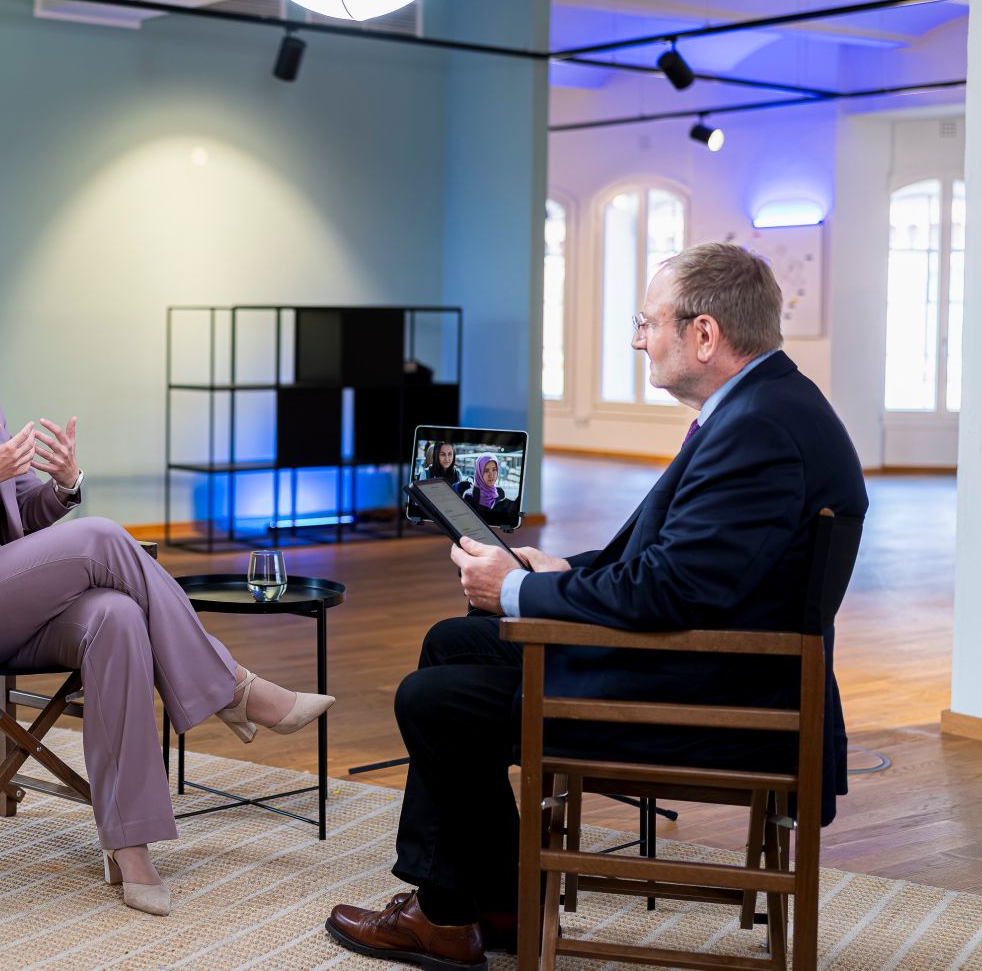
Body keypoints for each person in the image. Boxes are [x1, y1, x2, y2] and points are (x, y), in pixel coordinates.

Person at [325, 243, 867, 968]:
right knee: (454, 642)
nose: (640, 338)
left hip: (716, 698)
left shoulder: (760, 429)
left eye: (648, 322)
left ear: (704, 335)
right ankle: (487, 900)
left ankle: (449, 916)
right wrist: (553, 569)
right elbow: (676, 566)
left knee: (434, 698)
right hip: (716, 665)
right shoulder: (765, 405)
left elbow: (671, 590)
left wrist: (515, 588)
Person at [0, 263, 333, 916]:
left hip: (0, 584)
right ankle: (236, 688)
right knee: (101, 538)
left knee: (117, 616)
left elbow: (19, 516)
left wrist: (62, 487)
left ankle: (131, 845)